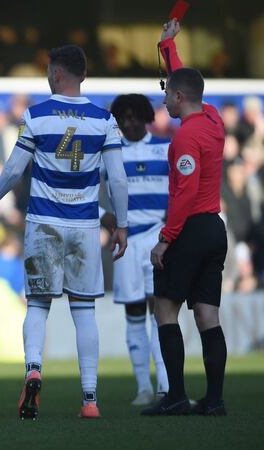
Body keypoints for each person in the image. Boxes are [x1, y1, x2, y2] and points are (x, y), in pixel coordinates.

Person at [0, 45, 129, 420]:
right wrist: (121, 224)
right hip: (83, 224)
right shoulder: (103, 120)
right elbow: (118, 180)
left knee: (38, 305)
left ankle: (33, 368)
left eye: (49, 69)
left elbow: (16, 166)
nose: (46, 74)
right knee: (83, 310)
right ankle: (90, 399)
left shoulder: (37, 115)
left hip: (44, 222)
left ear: (58, 74)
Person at [143, 20, 228, 417]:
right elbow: (185, 81)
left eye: (167, 98)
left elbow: (185, 193)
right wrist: (168, 47)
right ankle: (214, 401)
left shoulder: (185, 139)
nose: (164, 103)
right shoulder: (213, 119)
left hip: (191, 226)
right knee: (207, 314)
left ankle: (175, 396)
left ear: (179, 98)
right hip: (215, 227)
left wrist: (166, 238)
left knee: (165, 308)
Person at [102, 94, 170, 406]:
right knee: (133, 313)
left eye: (133, 116)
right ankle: (143, 386)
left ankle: (165, 386)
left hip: (159, 239)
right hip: (126, 242)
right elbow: (89, 194)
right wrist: (105, 218)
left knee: (160, 312)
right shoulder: (110, 153)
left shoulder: (165, 148)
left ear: (145, 117)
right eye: (123, 118)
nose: (128, 123)